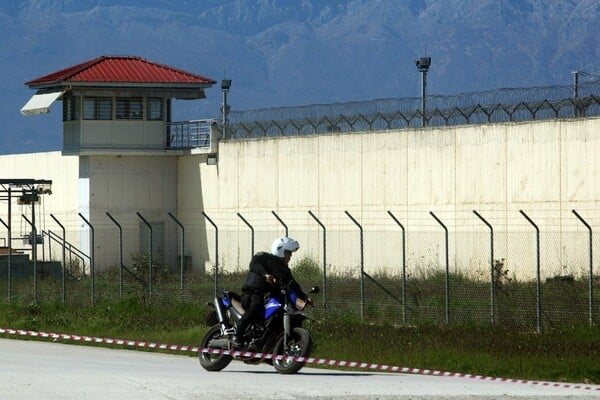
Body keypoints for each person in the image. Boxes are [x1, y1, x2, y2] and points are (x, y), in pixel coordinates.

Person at [232, 236, 312, 349]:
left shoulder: (284, 270)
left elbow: (292, 284)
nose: (290, 256)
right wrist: (265, 274)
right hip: (252, 292)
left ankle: (265, 340)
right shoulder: (263, 257)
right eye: (288, 253)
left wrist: (304, 297)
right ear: (281, 251)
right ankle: (237, 336)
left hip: (267, 296)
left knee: (279, 311)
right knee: (256, 305)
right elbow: (254, 265)